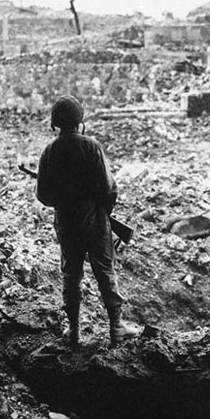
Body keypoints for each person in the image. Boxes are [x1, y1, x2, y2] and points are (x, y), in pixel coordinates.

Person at [36, 95, 140, 348]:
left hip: (66, 222)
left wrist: (64, 202)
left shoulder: (50, 150)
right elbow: (109, 188)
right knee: (105, 270)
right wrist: (103, 212)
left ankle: (73, 331)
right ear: (81, 122)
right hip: (95, 221)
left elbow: (43, 195)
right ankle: (116, 327)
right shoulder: (92, 146)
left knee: (71, 274)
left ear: (55, 124)